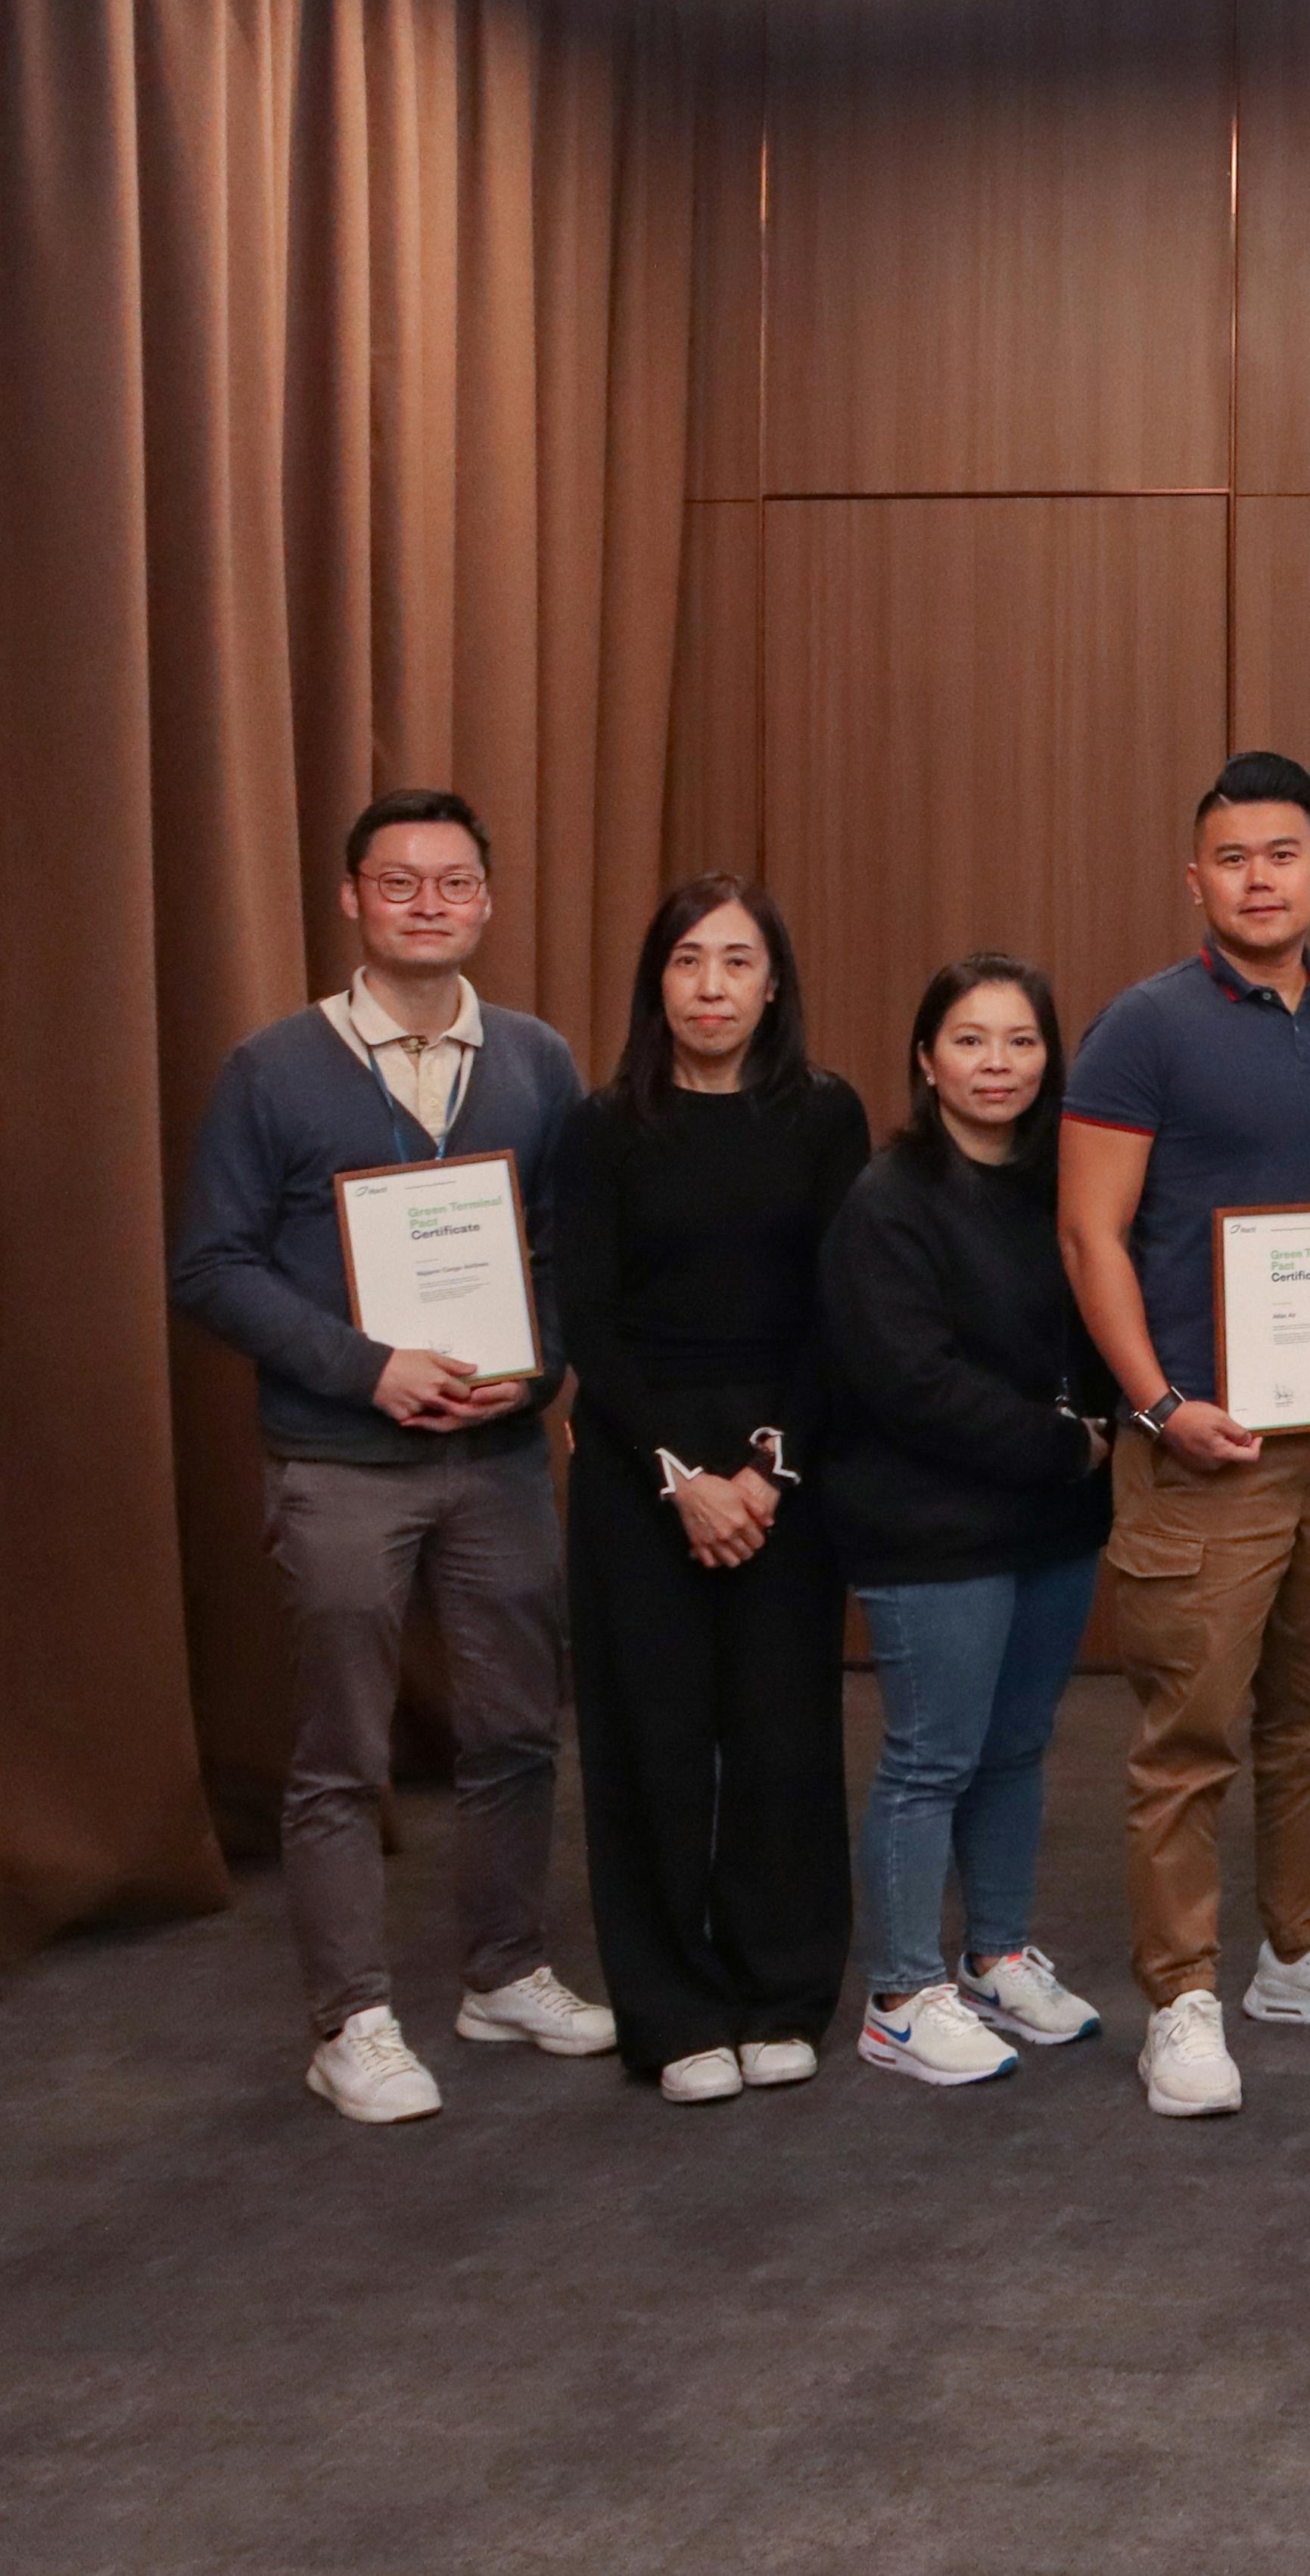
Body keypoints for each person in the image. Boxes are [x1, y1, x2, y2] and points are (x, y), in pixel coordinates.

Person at [172, 790, 613, 2123]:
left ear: (487, 899)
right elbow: (211, 1267)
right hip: (340, 1460)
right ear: (353, 898)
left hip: (500, 1458)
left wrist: (534, 1365)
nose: (429, 903)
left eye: (454, 881)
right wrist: (369, 1368)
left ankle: (504, 1971)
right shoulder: (272, 1067)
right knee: (342, 1752)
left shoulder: (535, 1060)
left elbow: (566, 1248)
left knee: (517, 1728)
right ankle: (350, 2019)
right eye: (400, 880)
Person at [1061, 752, 1310, 2120]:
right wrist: (1158, 1401)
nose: (1260, 878)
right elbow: (1089, 1231)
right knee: (1189, 1737)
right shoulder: (1142, 1028)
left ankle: (1299, 1949)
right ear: (1196, 879)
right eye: (1233, 858)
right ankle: (1179, 1997)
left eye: (1283, 854)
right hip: (1199, 1446)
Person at [553, 876, 871, 2102]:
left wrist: (766, 1468)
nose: (711, 986)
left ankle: (781, 1989)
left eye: (737, 961)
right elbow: (589, 1321)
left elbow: (835, 1305)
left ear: (773, 983)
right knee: (654, 1741)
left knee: (785, 1736)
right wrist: (682, 1478)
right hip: (640, 1465)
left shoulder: (825, 1115)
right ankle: (673, 2008)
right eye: (688, 960)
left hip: (783, 1459)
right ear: (658, 980)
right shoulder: (601, 1126)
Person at [821, 954, 1118, 2086]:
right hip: (932, 1525)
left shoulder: (1062, 1188)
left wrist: (1094, 1433)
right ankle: (900, 1994)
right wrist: (1067, 1443)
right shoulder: (886, 1201)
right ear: (926, 1059)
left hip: (1051, 1520)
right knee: (930, 1758)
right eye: (970, 1040)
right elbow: (912, 1384)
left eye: (1021, 1041)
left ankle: (994, 1955)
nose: (998, 1064)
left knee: (1016, 1746)